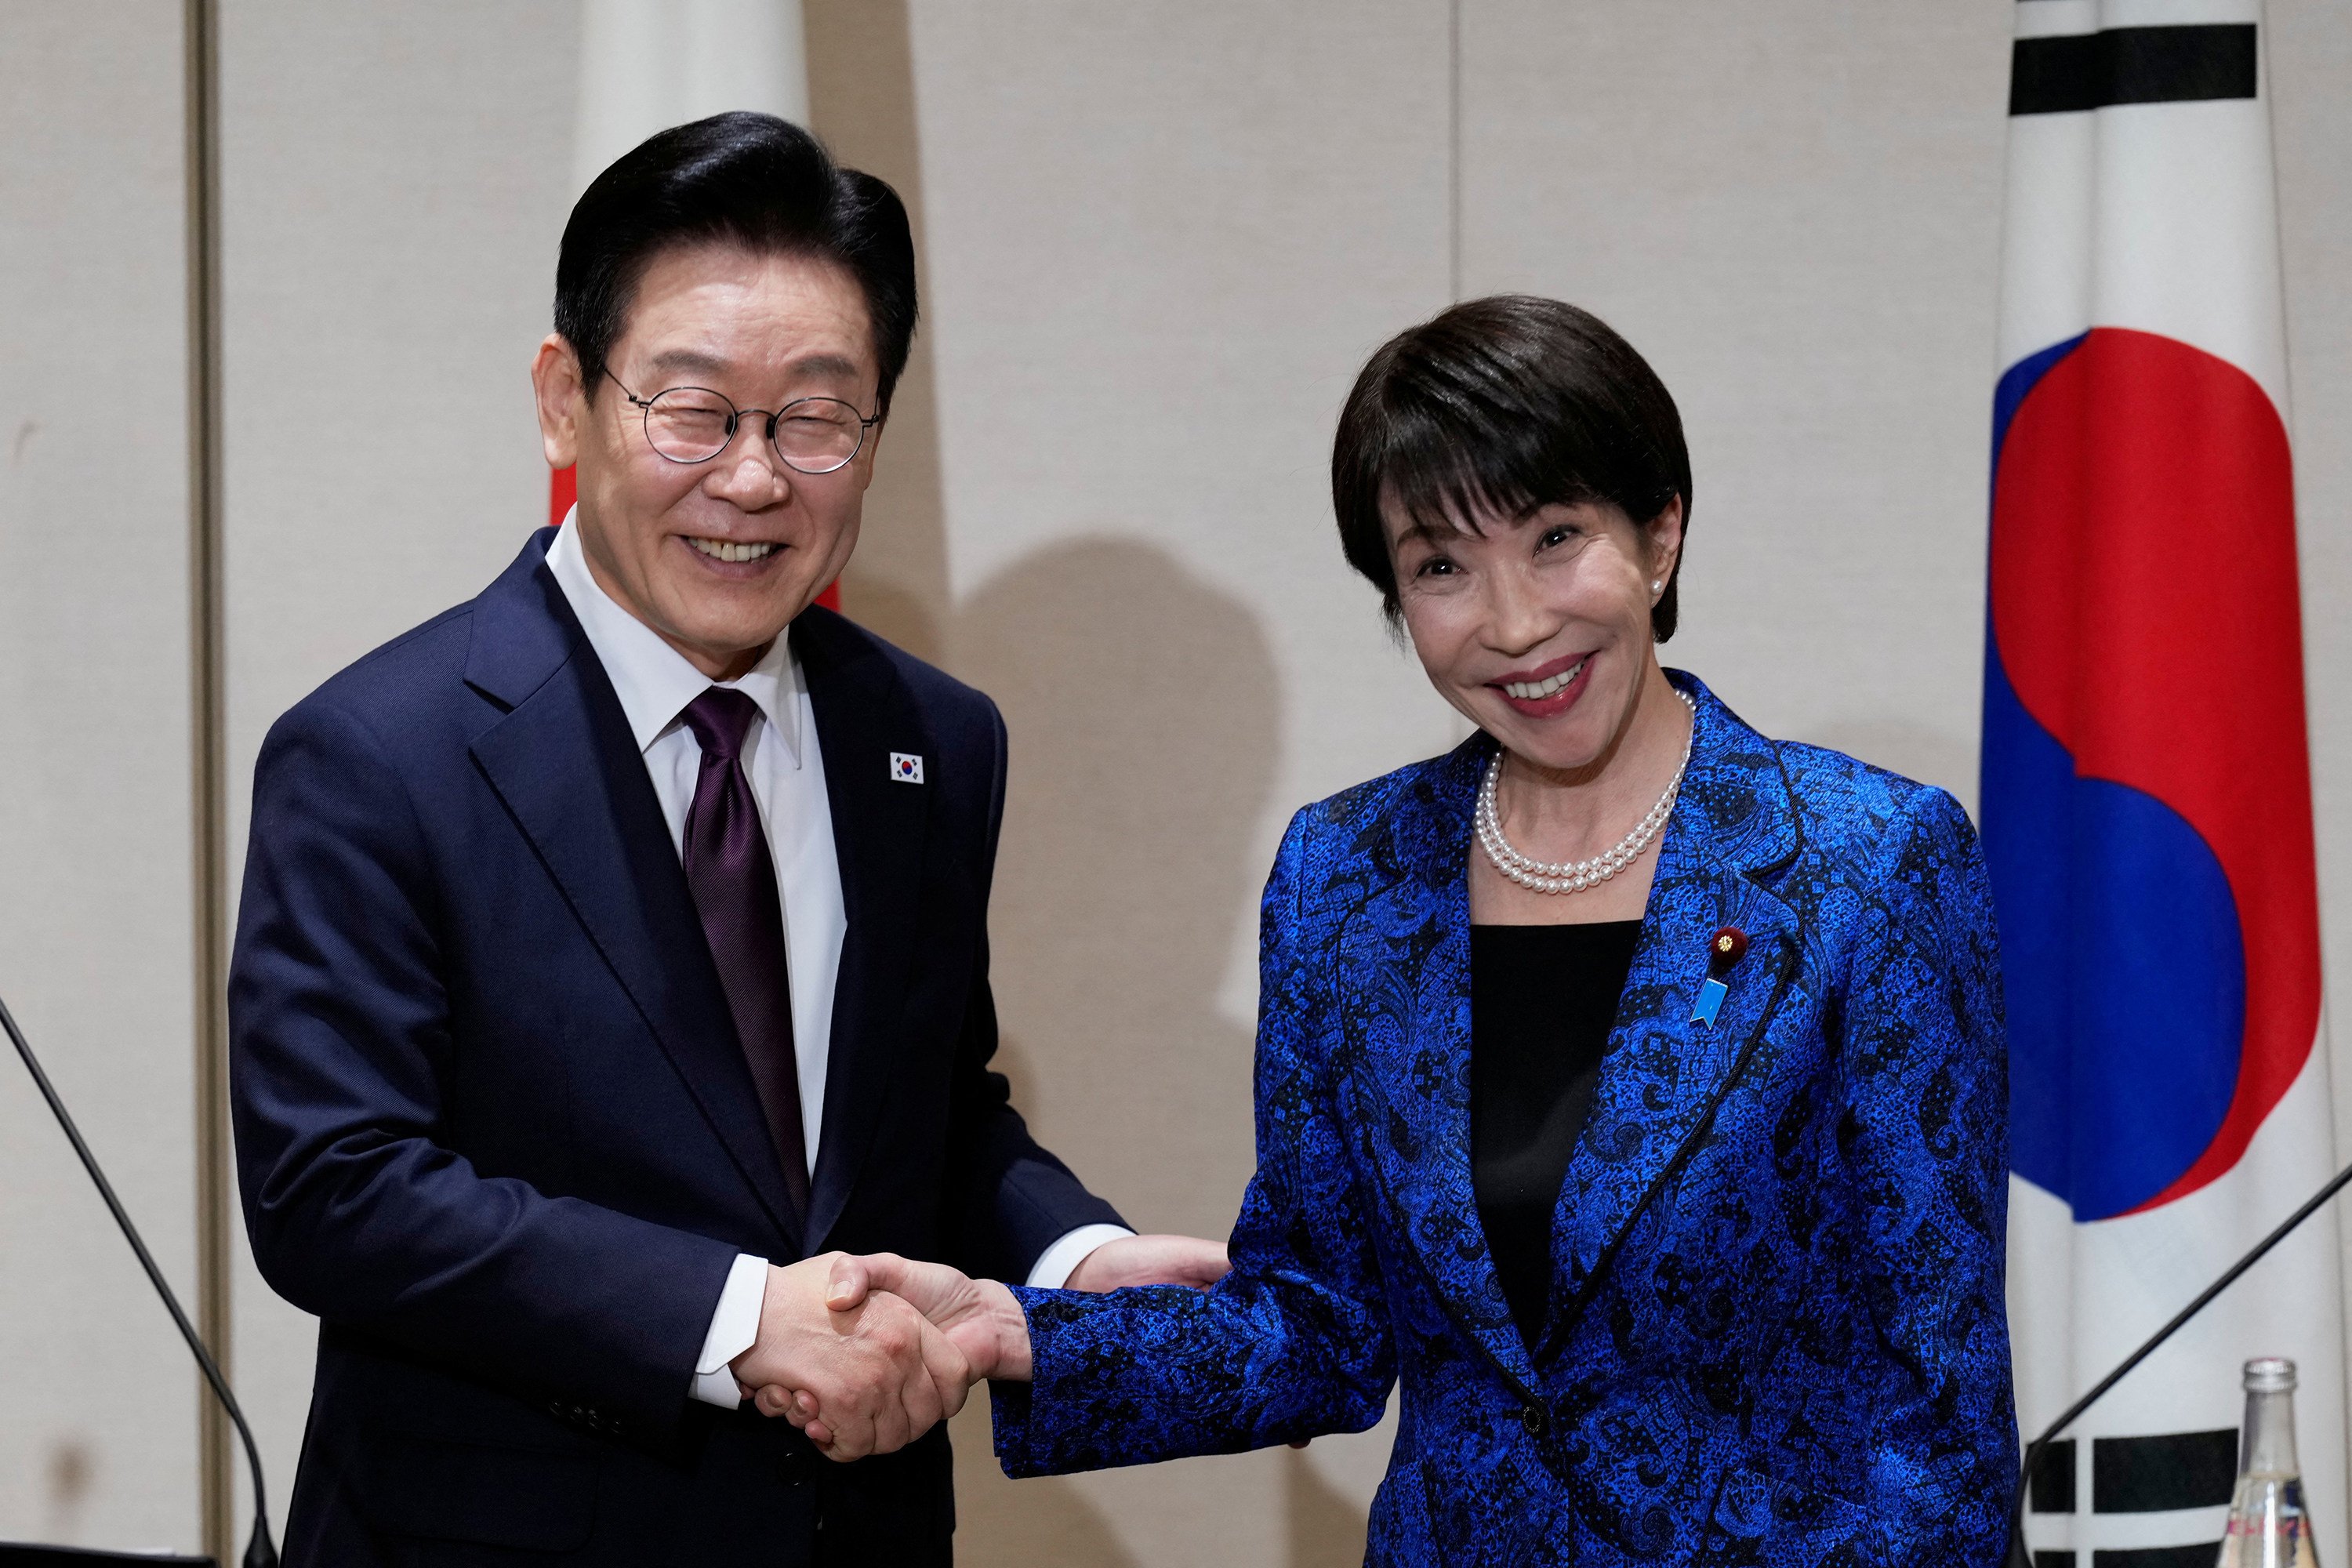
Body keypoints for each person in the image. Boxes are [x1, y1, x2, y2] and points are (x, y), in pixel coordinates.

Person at [785, 296, 2019, 1563]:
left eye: (1555, 538)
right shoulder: (1346, 879)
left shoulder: (1867, 863)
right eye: (1441, 568)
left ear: (1660, 536)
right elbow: (1320, 1326)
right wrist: (1017, 1331)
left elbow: (1943, 1403)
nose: (1514, 623)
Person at [227, 112, 1224, 1566]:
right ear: (564, 402)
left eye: (816, 418)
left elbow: (926, 1116)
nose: (755, 480)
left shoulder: (935, 741)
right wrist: (739, 1317)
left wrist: (1075, 1260)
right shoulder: (379, 754)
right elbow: (337, 1189)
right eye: (693, 409)